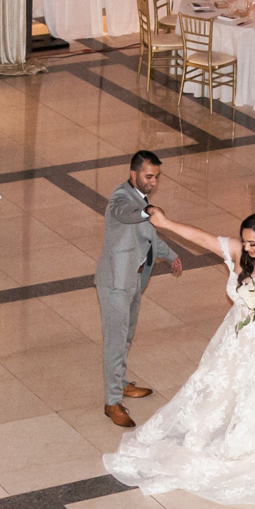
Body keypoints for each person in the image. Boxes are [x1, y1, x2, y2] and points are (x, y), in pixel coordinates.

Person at [104, 209, 255, 506]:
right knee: (216, 390)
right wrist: (165, 222)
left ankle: (250, 442)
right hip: (236, 339)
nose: (247, 248)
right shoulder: (243, 253)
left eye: (253, 243)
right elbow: (202, 238)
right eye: (245, 242)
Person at [97, 151, 183, 428]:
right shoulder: (121, 197)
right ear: (133, 174)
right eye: (148, 176)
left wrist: (171, 255)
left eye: (157, 177)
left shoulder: (142, 201)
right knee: (115, 340)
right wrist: (148, 211)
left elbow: (149, 237)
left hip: (134, 280)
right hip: (116, 282)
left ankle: (121, 384)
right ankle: (112, 402)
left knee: (126, 335)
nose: (153, 182)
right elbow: (126, 214)